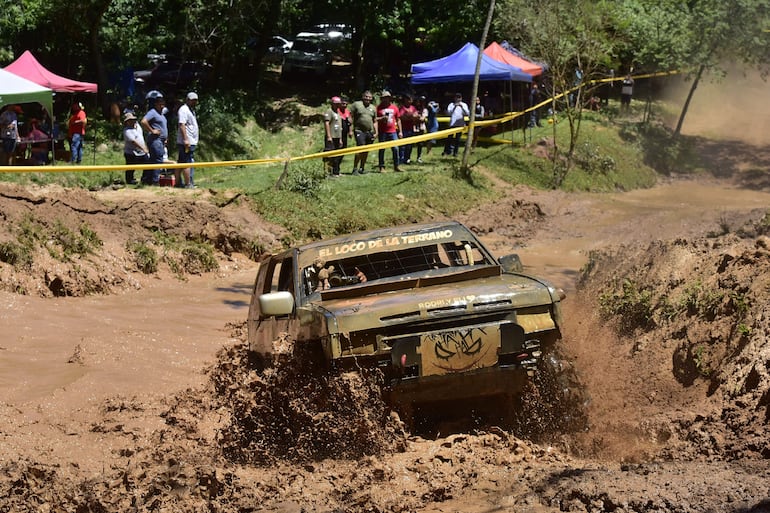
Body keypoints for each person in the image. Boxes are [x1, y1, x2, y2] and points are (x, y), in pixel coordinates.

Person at [140, 93, 168, 185]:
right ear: (156, 104)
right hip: (155, 140)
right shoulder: (153, 112)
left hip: (161, 141)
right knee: (157, 160)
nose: (162, 105)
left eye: (163, 103)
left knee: (153, 160)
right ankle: (155, 181)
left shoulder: (162, 114)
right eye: (160, 103)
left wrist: (165, 138)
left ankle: (147, 180)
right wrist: (152, 130)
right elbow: (144, 121)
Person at [349, 90, 377, 175]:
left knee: (366, 150)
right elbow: (350, 117)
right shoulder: (356, 105)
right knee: (360, 148)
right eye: (366, 97)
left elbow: (375, 121)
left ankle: (362, 168)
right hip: (359, 130)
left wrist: (376, 132)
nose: (368, 99)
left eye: (369, 97)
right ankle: (355, 168)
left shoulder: (373, 107)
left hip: (370, 132)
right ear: (363, 97)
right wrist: (350, 130)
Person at [176, 91, 199, 188]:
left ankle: (178, 183)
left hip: (190, 141)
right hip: (186, 142)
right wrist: (186, 139)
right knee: (187, 162)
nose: (194, 102)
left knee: (181, 162)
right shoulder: (184, 110)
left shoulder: (191, 110)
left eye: (195, 100)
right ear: (187, 100)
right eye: (192, 100)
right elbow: (182, 124)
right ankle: (188, 184)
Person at [376, 90, 402, 172]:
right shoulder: (378, 108)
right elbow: (374, 119)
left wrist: (400, 131)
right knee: (382, 149)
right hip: (382, 131)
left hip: (393, 131)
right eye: (384, 98)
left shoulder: (394, 107)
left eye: (387, 98)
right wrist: (381, 118)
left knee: (395, 148)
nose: (386, 99)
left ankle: (396, 166)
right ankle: (381, 166)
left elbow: (398, 120)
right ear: (382, 99)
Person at [122, 112, 149, 185]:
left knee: (147, 164)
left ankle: (145, 179)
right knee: (130, 167)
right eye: (130, 120)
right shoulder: (127, 131)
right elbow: (133, 142)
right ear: (127, 122)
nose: (133, 121)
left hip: (141, 152)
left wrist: (145, 147)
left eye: (133, 120)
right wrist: (143, 148)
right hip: (131, 152)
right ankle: (129, 181)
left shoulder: (138, 126)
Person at [323, 96, 344, 177]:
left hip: (337, 137)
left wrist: (340, 139)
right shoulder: (329, 111)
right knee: (329, 155)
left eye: (339, 104)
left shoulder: (338, 112)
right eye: (336, 104)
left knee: (337, 155)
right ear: (332, 104)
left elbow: (340, 126)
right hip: (331, 137)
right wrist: (329, 136)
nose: (338, 105)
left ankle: (336, 172)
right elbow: (327, 123)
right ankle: (328, 172)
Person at [443, 92, 469, 157]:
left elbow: (467, 113)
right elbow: (448, 113)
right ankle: (446, 151)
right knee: (449, 138)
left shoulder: (464, 105)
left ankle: (455, 152)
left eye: (459, 97)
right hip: (452, 124)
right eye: (457, 97)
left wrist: (462, 107)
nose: (458, 99)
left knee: (458, 139)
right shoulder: (451, 105)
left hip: (460, 124)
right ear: (455, 98)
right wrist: (454, 107)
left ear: (461, 98)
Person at [397, 94, 418, 165]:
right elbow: (402, 117)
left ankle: (407, 158)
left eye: (410, 99)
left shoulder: (413, 107)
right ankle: (401, 158)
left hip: (411, 129)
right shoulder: (402, 108)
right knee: (402, 145)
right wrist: (410, 116)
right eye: (408, 99)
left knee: (409, 145)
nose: (409, 101)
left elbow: (416, 116)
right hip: (403, 129)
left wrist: (409, 116)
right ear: (405, 100)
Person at [414, 96, 428, 163]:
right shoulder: (414, 109)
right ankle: (406, 157)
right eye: (420, 101)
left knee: (420, 144)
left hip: (421, 128)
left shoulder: (425, 110)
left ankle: (419, 157)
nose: (421, 103)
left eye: (423, 102)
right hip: (414, 128)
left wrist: (418, 117)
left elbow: (422, 119)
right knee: (410, 143)